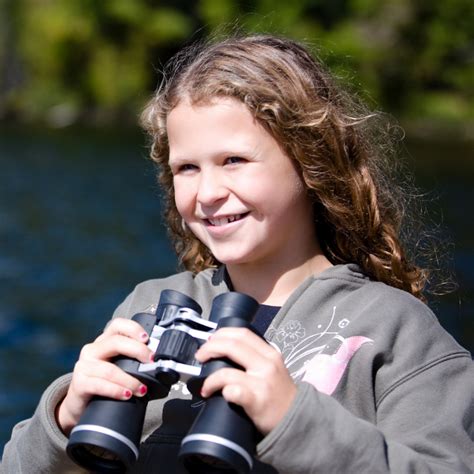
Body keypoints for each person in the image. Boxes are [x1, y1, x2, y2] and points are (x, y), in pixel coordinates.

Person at [2, 34, 473, 473]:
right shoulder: (150, 305)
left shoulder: (392, 326)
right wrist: (64, 418)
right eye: (186, 168)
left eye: (234, 161)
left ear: (311, 162)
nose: (208, 192)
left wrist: (293, 418)